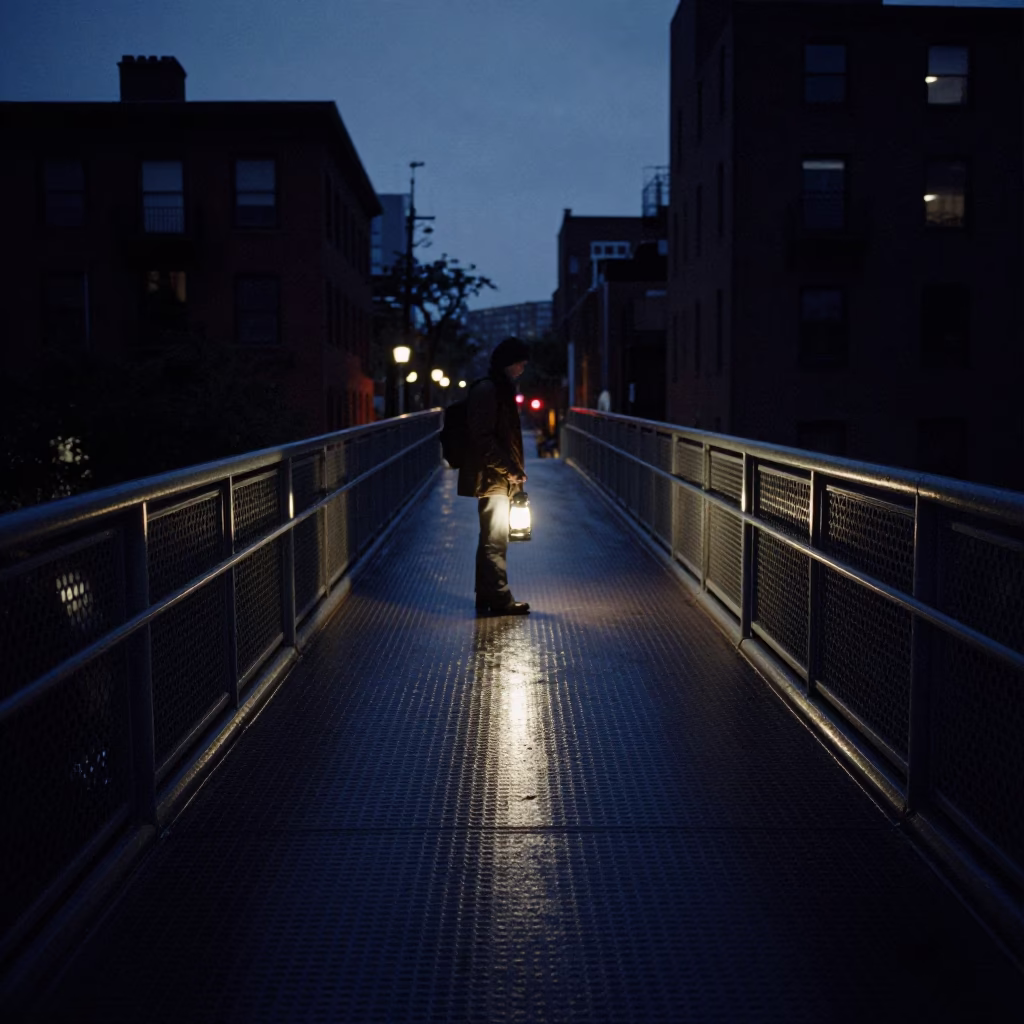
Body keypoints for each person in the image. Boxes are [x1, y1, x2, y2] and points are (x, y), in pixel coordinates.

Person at [458, 336, 531, 616]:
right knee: (495, 539)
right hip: (492, 478)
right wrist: (509, 469)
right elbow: (483, 437)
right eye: (520, 364)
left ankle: (487, 595)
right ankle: (499, 599)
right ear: (509, 363)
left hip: (495, 476)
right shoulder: (490, 391)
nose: (522, 370)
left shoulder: (493, 389)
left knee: (491, 537)